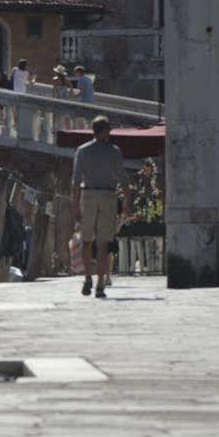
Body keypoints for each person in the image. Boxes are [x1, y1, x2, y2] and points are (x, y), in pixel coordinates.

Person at [71, 115, 127, 300]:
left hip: (88, 196)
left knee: (87, 241)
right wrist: (127, 202)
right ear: (103, 131)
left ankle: (89, 278)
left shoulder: (82, 150)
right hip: (107, 196)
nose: (110, 132)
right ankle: (100, 283)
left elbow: (76, 181)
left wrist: (75, 206)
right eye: (108, 129)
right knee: (103, 243)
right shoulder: (114, 151)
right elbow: (123, 179)